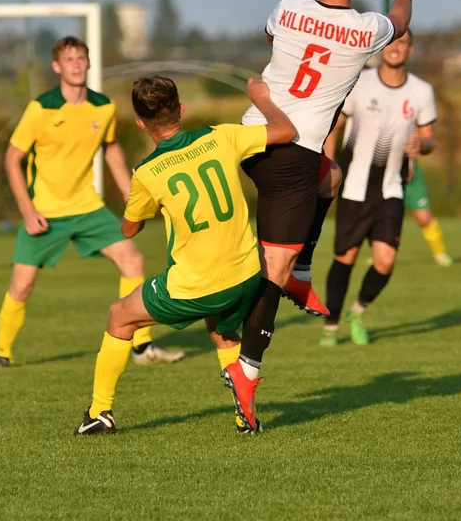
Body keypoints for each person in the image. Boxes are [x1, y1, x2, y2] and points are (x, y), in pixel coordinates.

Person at [227, 0, 425, 420]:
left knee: (330, 177)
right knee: (272, 268)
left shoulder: (289, 6)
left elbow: (276, 42)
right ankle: (246, 370)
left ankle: (301, 271)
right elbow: (400, 20)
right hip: (291, 152)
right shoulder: (365, 30)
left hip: (252, 138)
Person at [75, 75, 296, 435]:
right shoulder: (220, 136)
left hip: (198, 283)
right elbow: (285, 130)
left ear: (141, 124)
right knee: (222, 331)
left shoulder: (148, 172)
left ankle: (100, 413)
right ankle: (246, 418)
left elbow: (130, 229)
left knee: (119, 316)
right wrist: (261, 99)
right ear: (181, 109)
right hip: (245, 273)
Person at [0, 36, 183, 368]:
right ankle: (1, 354)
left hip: (88, 208)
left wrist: (129, 190)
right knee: (22, 285)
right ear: (56, 66)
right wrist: (27, 209)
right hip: (45, 212)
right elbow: (12, 159)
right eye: (69, 59)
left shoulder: (103, 107)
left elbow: (112, 148)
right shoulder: (41, 108)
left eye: (81, 58)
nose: (76, 64)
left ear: (89, 63)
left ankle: (141, 348)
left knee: (133, 261)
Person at [319, 29, 438, 345]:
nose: (395, 48)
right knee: (346, 257)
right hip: (354, 188)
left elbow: (430, 138)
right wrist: (329, 166)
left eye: (402, 43)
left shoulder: (422, 91)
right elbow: (333, 125)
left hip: (391, 190)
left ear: (411, 50)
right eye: (390, 42)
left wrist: (422, 144)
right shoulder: (360, 82)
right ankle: (331, 327)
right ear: (380, 48)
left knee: (385, 262)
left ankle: (357, 312)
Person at [404, 162, 452, 267]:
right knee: (386, 216)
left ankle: (439, 253)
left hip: (412, 177)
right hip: (385, 173)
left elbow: (427, 146)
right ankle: (378, 254)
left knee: (424, 218)